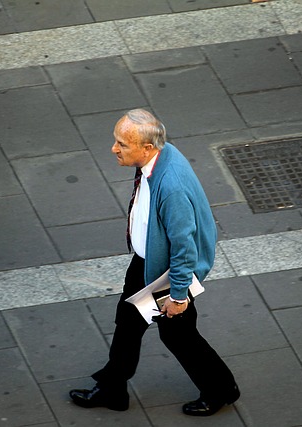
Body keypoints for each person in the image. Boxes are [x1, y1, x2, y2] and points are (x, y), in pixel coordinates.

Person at [69, 109, 240, 416]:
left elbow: (184, 247)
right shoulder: (161, 155)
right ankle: (113, 389)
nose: (114, 149)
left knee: (177, 334)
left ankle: (220, 390)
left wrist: (178, 295)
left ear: (147, 147)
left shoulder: (171, 187)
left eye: (122, 144)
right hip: (148, 263)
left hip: (166, 273)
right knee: (128, 323)